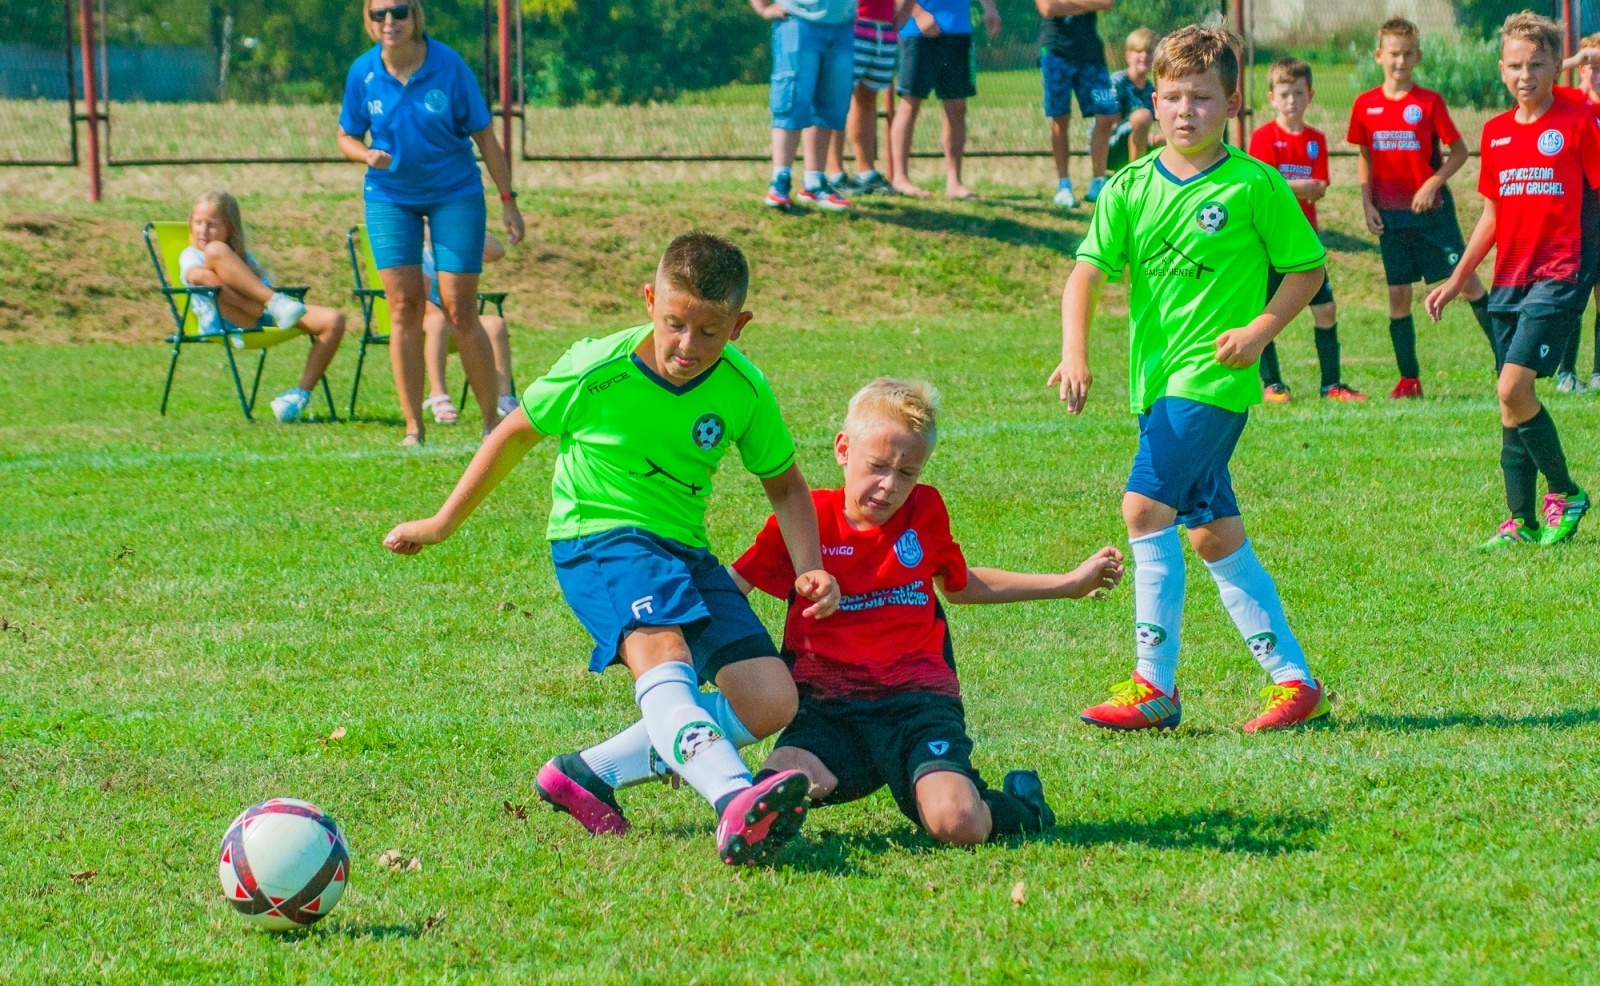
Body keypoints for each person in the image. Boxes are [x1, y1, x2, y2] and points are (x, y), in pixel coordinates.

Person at [384, 233, 841, 867]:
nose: (686, 346)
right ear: (651, 300)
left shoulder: (743, 388)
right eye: (673, 324)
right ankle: (734, 797)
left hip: (684, 549)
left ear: (740, 326)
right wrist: (440, 522)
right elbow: (515, 434)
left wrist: (811, 565)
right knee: (666, 656)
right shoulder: (597, 369)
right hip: (597, 537)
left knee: (769, 700)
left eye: (709, 333)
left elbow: (787, 483)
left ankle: (586, 773)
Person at [1049, 25, 1330, 734]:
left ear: (1233, 103)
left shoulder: (1253, 185)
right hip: (1157, 384)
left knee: (1144, 510)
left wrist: (1261, 331)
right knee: (1212, 535)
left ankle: (1155, 686)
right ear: (1153, 98)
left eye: (1202, 97)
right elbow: (1086, 272)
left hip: (1213, 382)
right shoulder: (1129, 187)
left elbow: (1307, 268)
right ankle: (1294, 681)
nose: (1185, 111)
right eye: (1172, 96)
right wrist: (1075, 351)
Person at [738, 379, 1124, 845]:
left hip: (915, 706)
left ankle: (1022, 807)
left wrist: (1067, 584)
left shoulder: (924, 511)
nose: (889, 486)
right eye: (878, 466)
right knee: (769, 791)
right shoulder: (805, 520)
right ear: (843, 449)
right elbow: (730, 591)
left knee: (959, 824)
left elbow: (959, 584)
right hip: (827, 712)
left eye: (907, 473)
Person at [1426, 13, 1595, 549]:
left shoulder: (1580, 121)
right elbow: (1493, 215)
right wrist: (1457, 279)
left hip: (1561, 273)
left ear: (1555, 68)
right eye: (1516, 66)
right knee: (1509, 403)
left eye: (1538, 64)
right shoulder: (1497, 134)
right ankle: (1520, 521)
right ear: (1502, 70)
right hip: (1510, 279)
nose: (1526, 75)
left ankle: (1565, 492)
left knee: (1511, 387)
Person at [336, 0, 524, 446]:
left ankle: (490, 425)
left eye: (398, 12)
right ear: (368, 19)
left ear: (415, 16)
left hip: (454, 193)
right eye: (379, 13)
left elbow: (484, 136)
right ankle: (414, 429)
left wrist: (508, 201)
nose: (389, 22)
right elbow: (346, 133)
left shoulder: (449, 66)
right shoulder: (362, 72)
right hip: (390, 197)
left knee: (461, 308)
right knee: (403, 308)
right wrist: (365, 155)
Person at [1346, 17, 1496, 401]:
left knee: (1467, 282)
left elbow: (1460, 151)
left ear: (1419, 57)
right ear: (1380, 56)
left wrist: (1433, 182)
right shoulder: (1365, 105)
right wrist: (1367, 204)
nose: (1400, 61)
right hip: (1390, 215)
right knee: (1398, 295)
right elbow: (1364, 155)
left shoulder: (1428, 102)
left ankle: (1507, 361)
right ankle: (1409, 380)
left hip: (1433, 217)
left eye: (1408, 54)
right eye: (1393, 54)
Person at [1247, 58, 1365, 403]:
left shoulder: (1315, 139)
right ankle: (1272, 383)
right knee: (1265, 312)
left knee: (1325, 309)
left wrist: (1297, 186)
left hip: (1305, 239)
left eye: (1298, 93)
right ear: (1271, 97)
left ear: (1310, 95)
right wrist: (1302, 187)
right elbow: (1265, 185)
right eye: (1284, 93)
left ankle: (1331, 384)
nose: (1291, 100)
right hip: (1269, 241)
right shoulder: (1263, 137)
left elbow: (1321, 186)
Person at [179, 190, 345, 423]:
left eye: (212, 225)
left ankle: (297, 396)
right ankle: (276, 303)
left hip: (262, 314)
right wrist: (253, 306)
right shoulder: (192, 254)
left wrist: (258, 304)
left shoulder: (244, 259)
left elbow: (260, 289)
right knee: (216, 251)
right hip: (223, 321)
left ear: (230, 228)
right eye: (197, 223)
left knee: (334, 320)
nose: (203, 231)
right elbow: (196, 276)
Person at [888, 0, 1002, 198]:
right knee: (910, 103)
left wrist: (990, 9)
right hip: (917, 31)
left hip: (958, 31)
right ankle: (900, 178)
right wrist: (918, 13)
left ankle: (954, 183)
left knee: (957, 106)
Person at [751, 0, 858, 211]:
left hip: (842, 26)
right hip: (797, 21)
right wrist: (763, 7)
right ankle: (779, 182)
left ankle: (814, 182)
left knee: (830, 104)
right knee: (791, 101)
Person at [421, 232, 518, 424]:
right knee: (438, 321)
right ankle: (439, 395)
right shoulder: (418, 253)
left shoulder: (455, 250)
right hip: (424, 323)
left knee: (495, 325)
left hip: (458, 321)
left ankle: (504, 398)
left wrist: (467, 223)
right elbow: (419, 301)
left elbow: (497, 251)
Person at [823, 0, 912, 195]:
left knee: (867, 99)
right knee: (839, 96)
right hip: (854, 24)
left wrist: (905, 10)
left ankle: (866, 172)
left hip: (884, 26)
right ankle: (835, 173)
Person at [1037, 0, 1117, 209]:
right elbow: (1048, 8)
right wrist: (1086, 4)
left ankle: (1098, 182)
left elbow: (1106, 3)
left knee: (1107, 113)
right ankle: (1064, 186)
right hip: (1055, 53)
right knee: (1060, 118)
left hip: (1091, 54)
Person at [1554, 35, 1600, 394]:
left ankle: (1599, 371)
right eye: (1593, 67)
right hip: (1580, 217)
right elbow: (1541, 81)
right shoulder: (1573, 103)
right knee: (1574, 297)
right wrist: (1577, 58)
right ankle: (1565, 371)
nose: (1598, 74)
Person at [1104, 27, 1162, 174]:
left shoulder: (1150, 89)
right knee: (1142, 116)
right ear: (1128, 56)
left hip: (1137, 142)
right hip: (1111, 146)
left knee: (1164, 141)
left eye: (1149, 52)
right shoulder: (1118, 81)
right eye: (1139, 51)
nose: (1144, 56)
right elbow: (1111, 123)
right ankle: (1133, 176)